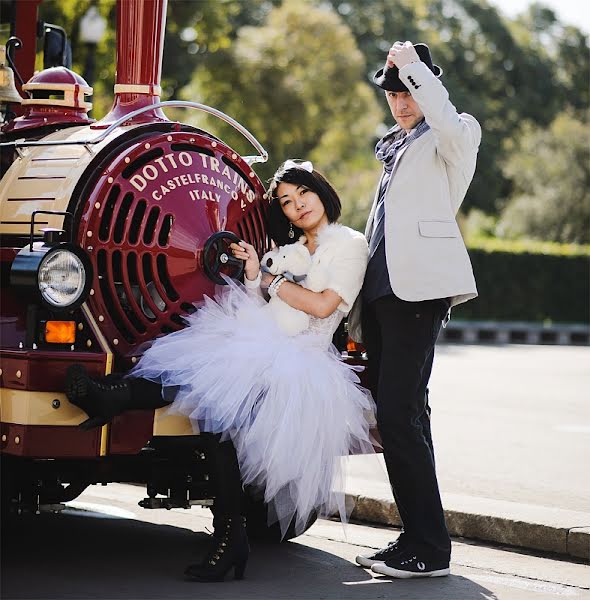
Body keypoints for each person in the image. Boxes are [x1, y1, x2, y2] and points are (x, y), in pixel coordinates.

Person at [65, 159, 375, 582]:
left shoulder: (349, 244)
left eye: (303, 193)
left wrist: (273, 283)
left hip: (299, 357)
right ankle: (230, 540)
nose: (298, 205)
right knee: (211, 402)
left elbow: (323, 305)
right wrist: (253, 274)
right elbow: (266, 300)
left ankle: (114, 399)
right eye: (286, 202)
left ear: (321, 191)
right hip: (261, 338)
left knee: (216, 403)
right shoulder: (289, 250)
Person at [349, 41, 481, 579]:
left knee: (398, 417)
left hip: (416, 293)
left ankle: (428, 548)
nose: (402, 102)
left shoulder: (455, 135)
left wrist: (413, 68)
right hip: (381, 294)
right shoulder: (395, 148)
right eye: (394, 94)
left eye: (409, 92)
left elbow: (445, 119)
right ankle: (417, 539)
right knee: (398, 418)